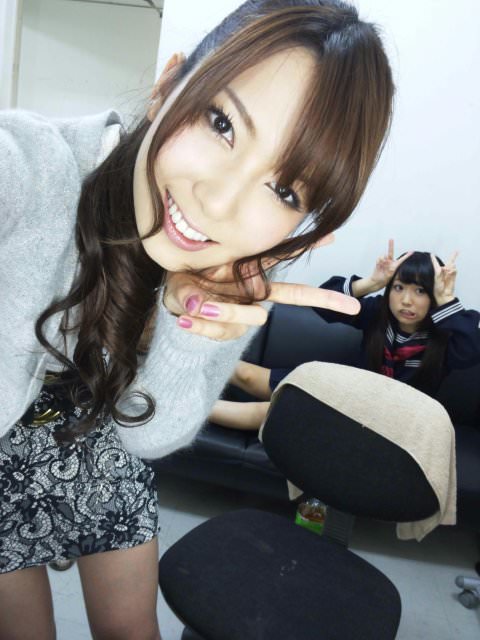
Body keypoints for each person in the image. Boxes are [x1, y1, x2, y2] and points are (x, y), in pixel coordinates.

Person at [0, 1, 394, 638]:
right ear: (167, 85)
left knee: (133, 630)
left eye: (285, 190)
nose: (219, 203)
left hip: (105, 448)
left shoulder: (225, 275)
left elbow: (149, 438)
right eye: (222, 124)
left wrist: (189, 333)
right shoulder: (32, 168)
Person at [210, 240, 480, 430]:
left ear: (433, 294)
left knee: (274, 411)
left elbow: (470, 352)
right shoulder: (378, 313)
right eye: (399, 288)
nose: (406, 300)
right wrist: (372, 282)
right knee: (246, 374)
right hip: (343, 394)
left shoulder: (447, 334)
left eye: (420, 291)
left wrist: (446, 300)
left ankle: (189, 411)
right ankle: (188, 371)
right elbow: (324, 305)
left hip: (386, 424)